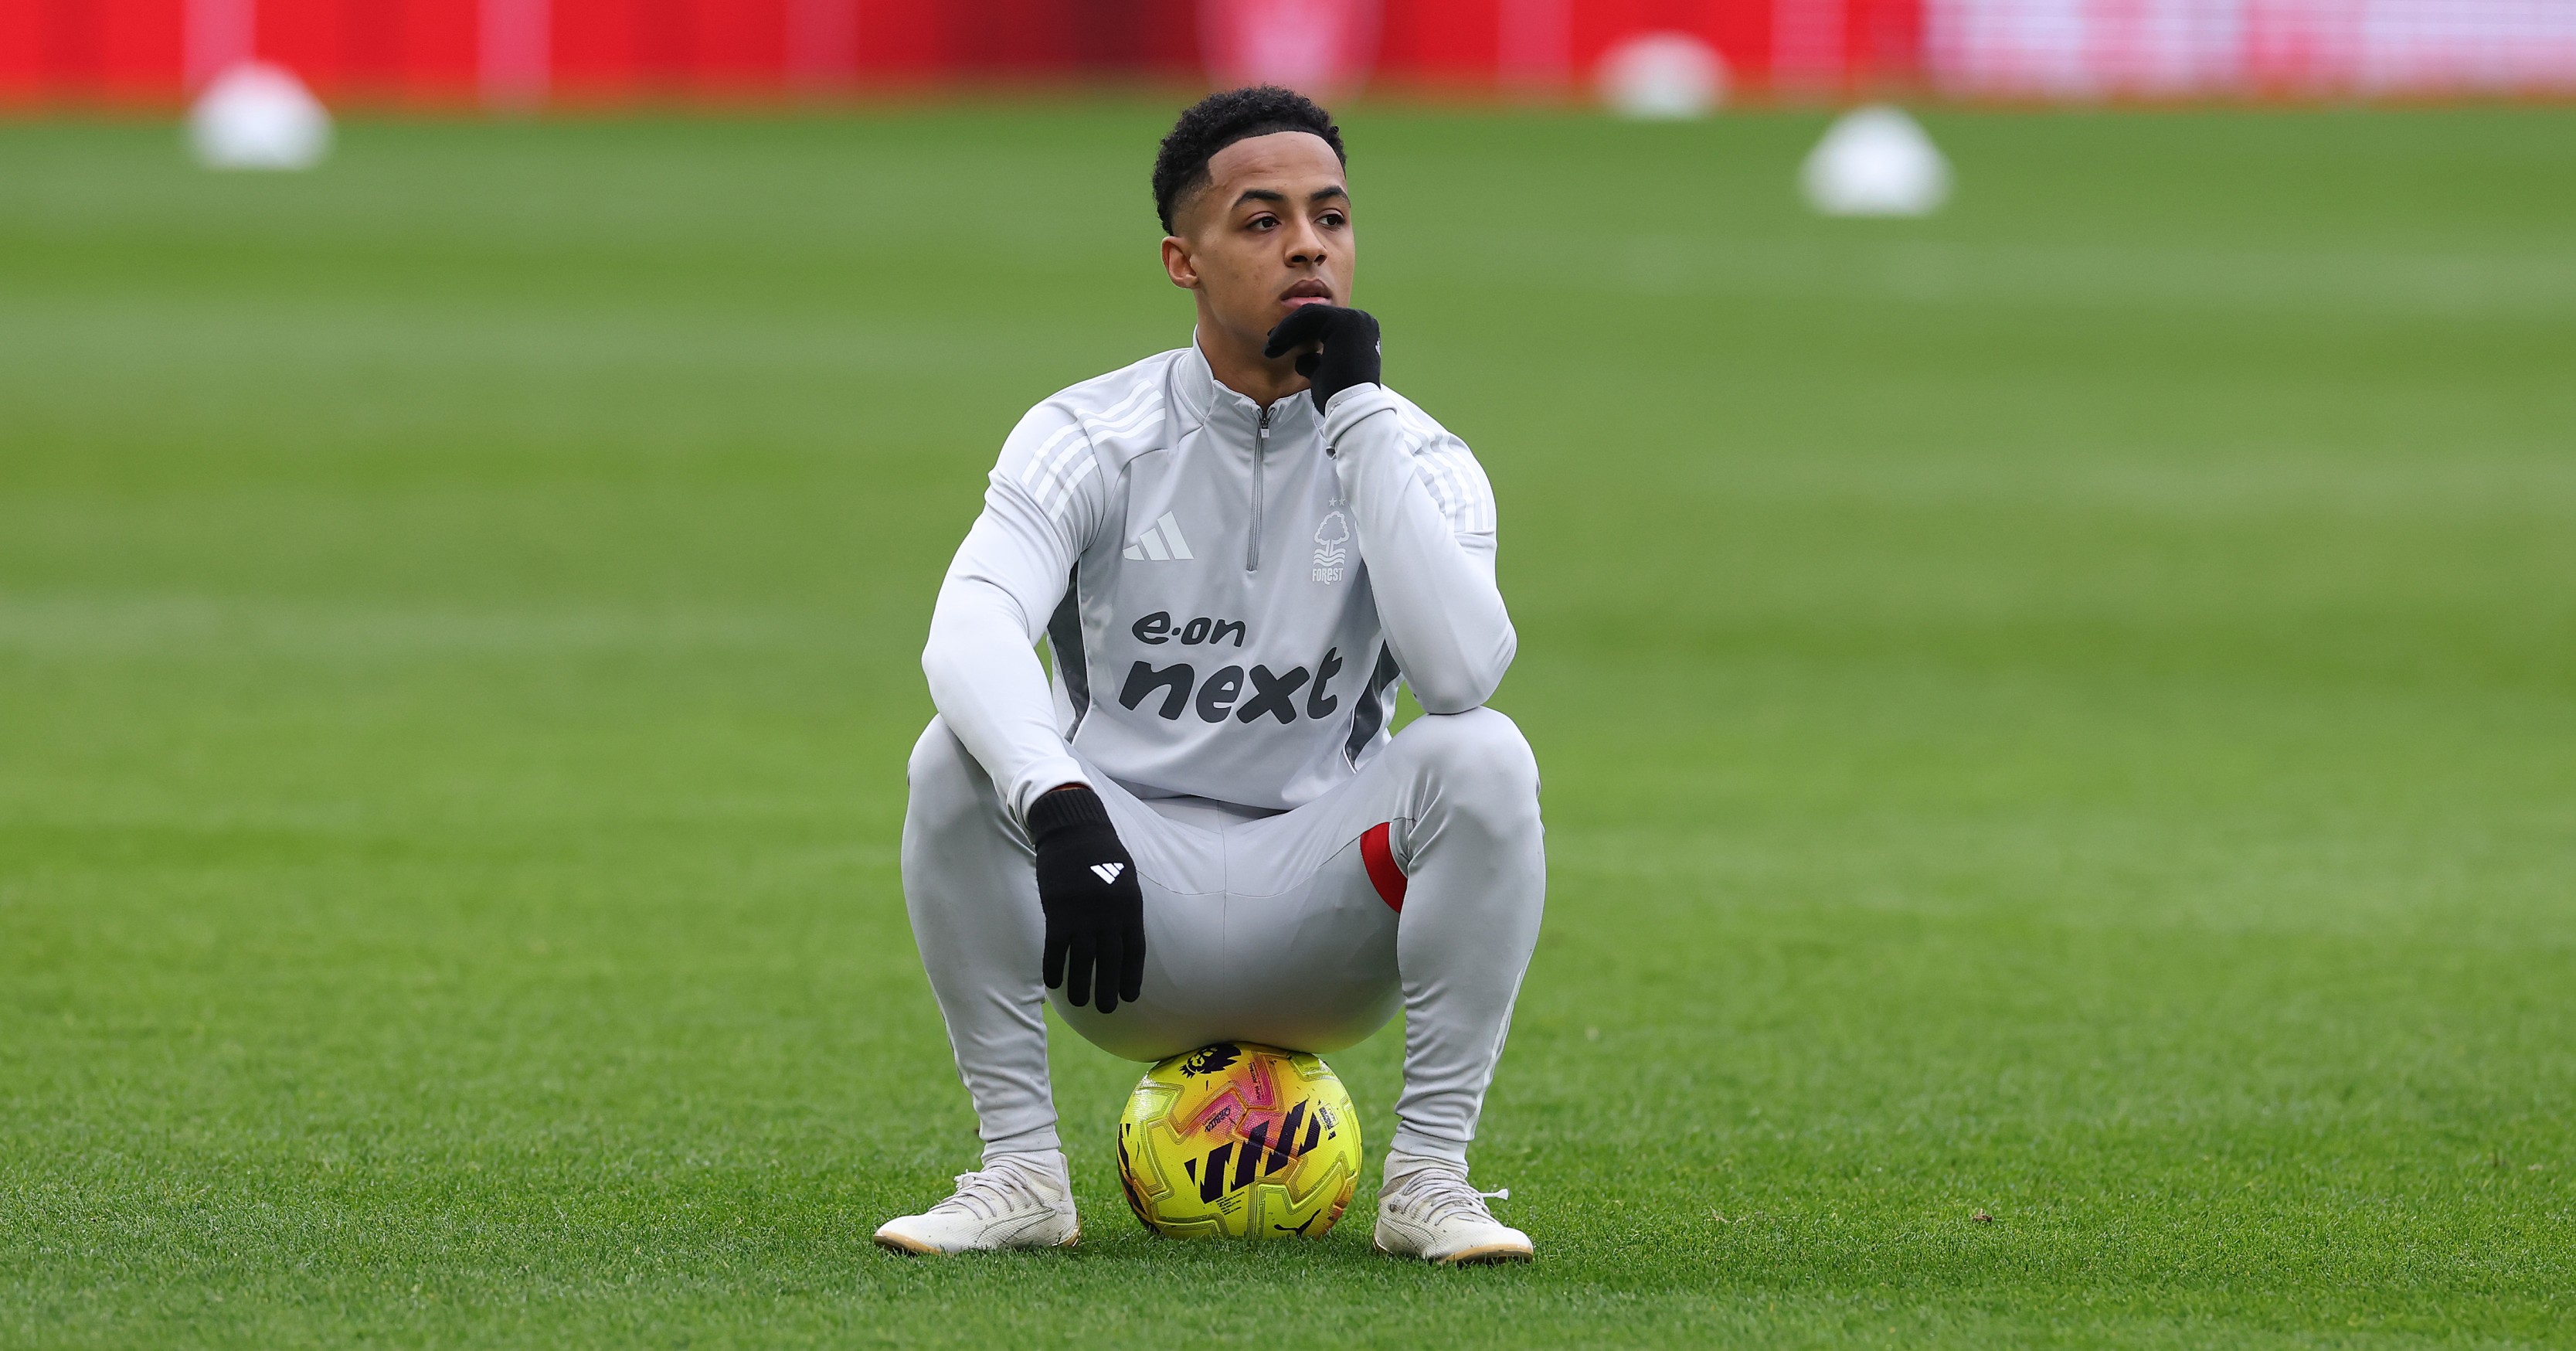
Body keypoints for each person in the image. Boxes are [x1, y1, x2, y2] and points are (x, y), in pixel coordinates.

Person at [874, 86, 1545, 1265]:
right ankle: (1021, 1172)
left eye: (1330, 218)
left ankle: (1433, 1181)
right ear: (1182, 260)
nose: (1306, 244)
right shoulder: (1089, 432)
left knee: (1485, 756)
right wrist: (1059, 801)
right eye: (1261, 219)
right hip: (1119, 905)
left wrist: (1357, 416)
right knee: (953, 756)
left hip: (1327, 914)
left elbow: (1458, 676)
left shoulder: (1419, 455)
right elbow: (969, 628)